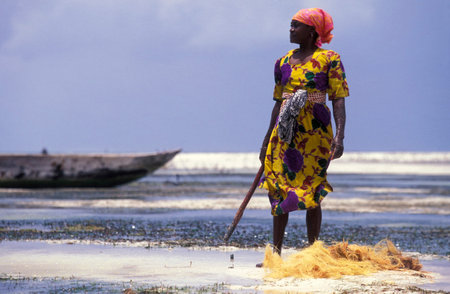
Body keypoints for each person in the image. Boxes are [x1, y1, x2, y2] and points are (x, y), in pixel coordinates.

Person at [258, 8, 349, 261]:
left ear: (311, 32)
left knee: (313, 189)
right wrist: (267, 140)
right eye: (290, 25)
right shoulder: (283, 62)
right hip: (284, 133)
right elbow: (278, 102)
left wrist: (339, 137)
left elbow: (338, 100)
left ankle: (313, 253)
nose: (290, 29)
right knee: (277, 187)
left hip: (315, 134)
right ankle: (275, 254)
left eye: (295, 26)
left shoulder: (329, 59)